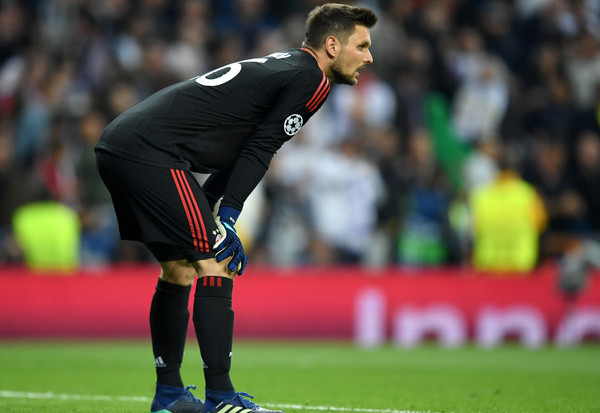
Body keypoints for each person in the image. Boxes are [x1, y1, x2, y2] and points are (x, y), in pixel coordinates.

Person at [94, 3, 377, 413]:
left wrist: (214, 209)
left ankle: (169, 396)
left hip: (123, 144)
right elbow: (261, 148)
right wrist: (227, 218)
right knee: (217, 262)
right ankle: (222, 398)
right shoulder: (312, 79)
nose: (369, 57)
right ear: (332, 46)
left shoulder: (287, 66)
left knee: (180, 267)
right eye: (362, 46)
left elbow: (243, 149)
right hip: (151, 152)